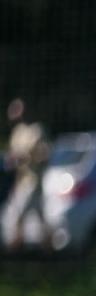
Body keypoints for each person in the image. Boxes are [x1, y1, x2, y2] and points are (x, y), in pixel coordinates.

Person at [2, 99, 50, 250]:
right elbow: (12, 158)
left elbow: (45, 155)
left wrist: (29, 157)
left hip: (33, 180)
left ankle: (15, 248)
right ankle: (48, 247)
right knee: (39, 217)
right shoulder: (17, 133)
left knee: (19, 214)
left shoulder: (38, 130)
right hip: (21, 181)